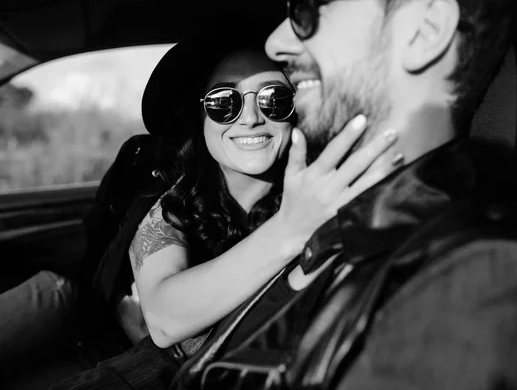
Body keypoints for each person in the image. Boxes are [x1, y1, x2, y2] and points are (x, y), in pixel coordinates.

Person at [169, 0, 517, 389]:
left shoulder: (474, 279)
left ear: (426, 30)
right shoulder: (335, 220)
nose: (276, 42)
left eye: (309, 10)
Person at [50, 43, 396, 388]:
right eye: (223, 102)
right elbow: (164, 318)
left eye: (273, 99)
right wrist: (291, 228)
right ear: (199, 117)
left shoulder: (324, 193)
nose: (250, 118)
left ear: (295, 112)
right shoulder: (172, 205)